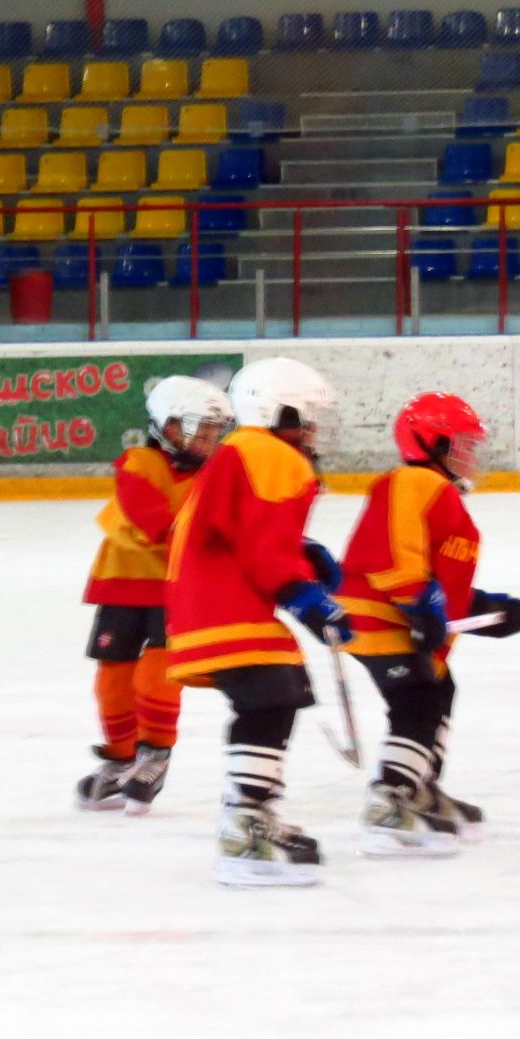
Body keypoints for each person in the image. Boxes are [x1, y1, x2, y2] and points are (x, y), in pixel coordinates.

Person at [165, 356, 349, 887]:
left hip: (209, 603)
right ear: (278, 410)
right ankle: (243, 828)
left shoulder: (243, 450)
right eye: (307, 417)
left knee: (280, 690)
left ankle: (253, 814)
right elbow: (261, 542)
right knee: (270, 694)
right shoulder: (270, 454)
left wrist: (303, 551)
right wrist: (302, 595)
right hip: (224, 607)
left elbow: (236, 522)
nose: (313, 429)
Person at [336, 393, 520, 856]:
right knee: (419, 700)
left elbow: (443, 586)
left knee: (438, 690)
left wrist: (491, 611)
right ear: (431, 441)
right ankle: (389, 798)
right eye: (461, 443)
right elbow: (396, 552)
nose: (471, 453)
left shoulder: (440, 494)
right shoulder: (414, 480)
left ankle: (418, 787)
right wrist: (418, 601)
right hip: (378, 613)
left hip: (395, 612)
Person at [76, 375, 234, 815]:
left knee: (157, 674)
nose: (208, 439)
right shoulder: (138, 462)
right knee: (112, 679)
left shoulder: (217, 473)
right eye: (198, 428)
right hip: (124, 582)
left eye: (213, 430)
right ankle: (120, 756)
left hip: (177, 589)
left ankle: (156, 754)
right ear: (166, 426)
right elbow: (156, 522)